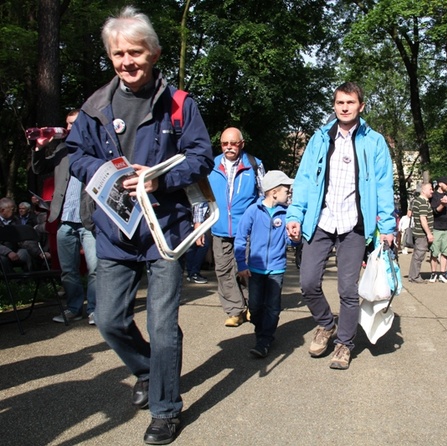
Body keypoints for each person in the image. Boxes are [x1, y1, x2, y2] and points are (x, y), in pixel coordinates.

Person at [66, 7, 214, 444]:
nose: (127, 61)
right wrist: (109, 174)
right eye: (118, 54)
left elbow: (200, 155)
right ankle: (150, 371)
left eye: (135, 52)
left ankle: (166, 409)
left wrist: (156, 177)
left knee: (162, 324)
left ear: (154, 53)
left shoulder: (180, 104)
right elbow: (76, 156)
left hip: (165, 229)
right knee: (109, 319)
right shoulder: (95, 106)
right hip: (114, 229)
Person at [286, 81, 396, 370]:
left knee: (348, 289)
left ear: (361, 106)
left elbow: (384, 185)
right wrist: (295, 214)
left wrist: (387, 225)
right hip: (320, 221)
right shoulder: (320, 138)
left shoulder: (374, 141)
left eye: (350, 102)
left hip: (354, 224)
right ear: (334, 106)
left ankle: (344, 344)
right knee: (308, 282)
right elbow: (305, 179)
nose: (344, 108)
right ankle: (325, 324)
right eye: (339, 103)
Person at [32, 109, 98, 325]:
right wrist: (39, 148)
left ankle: (95, 310)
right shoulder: (63, 149)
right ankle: (73, 308)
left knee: (95, 268)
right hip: (63, 220)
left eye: (75, 123)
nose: (71, 128)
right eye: (68, 124)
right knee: (68, 271)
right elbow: (39, 168)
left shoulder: (96, 149)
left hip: (89, 220)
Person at [203, 127, 264, 327]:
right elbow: (202, 198)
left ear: (241, 144)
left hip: (246, 229)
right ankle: (235, 310)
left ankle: (252, 307)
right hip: (219, 228)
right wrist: (199, 225)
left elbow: (264, 196)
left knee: (246, 269)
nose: (229, 147)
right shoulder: (210, 166)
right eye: (224, 144)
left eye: (233, 143)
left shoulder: (254, 165)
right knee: (223, 270)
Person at [235, 170, 294, 358]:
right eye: (287, 190)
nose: (289, 193)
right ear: (274, 192)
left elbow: (289, 240)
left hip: (277, 268)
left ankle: (265, 339)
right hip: (255, 268)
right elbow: (240, 237)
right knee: (254, 306)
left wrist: (295, 239)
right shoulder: (253, 210)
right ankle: (262, 332)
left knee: (273, 306)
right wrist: (241, 264)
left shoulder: (286, 213)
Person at [0, 197, 40, 272]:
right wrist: (8, 252)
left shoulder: (16, 221)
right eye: (12, 209)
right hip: (2, 252)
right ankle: (12, 280)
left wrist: (37, 252)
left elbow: (24, 239)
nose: (15, 211)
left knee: (26, 253)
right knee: (2, 260)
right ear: (2, 210)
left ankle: (30, 278)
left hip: (16, 249)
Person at [408, 182, 434, 283]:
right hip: (421, 234)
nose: (432, 191)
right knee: (419, 255)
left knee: (417, 255)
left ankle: (413, 275)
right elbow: (423, 219)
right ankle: (415, 277)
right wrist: (429, 233)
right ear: (423, 190)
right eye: (430, 189)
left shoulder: (418, 201)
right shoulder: (422, 202)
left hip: (419, 233)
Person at [429, 177, 447, 282]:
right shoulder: (433, 196)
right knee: (434, 252)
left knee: (445, 253)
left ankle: (443, 274)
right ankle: (433, 273)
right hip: (436, 227)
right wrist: (442, 204)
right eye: (446, 184)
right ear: (440, 184)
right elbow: (434, 211)